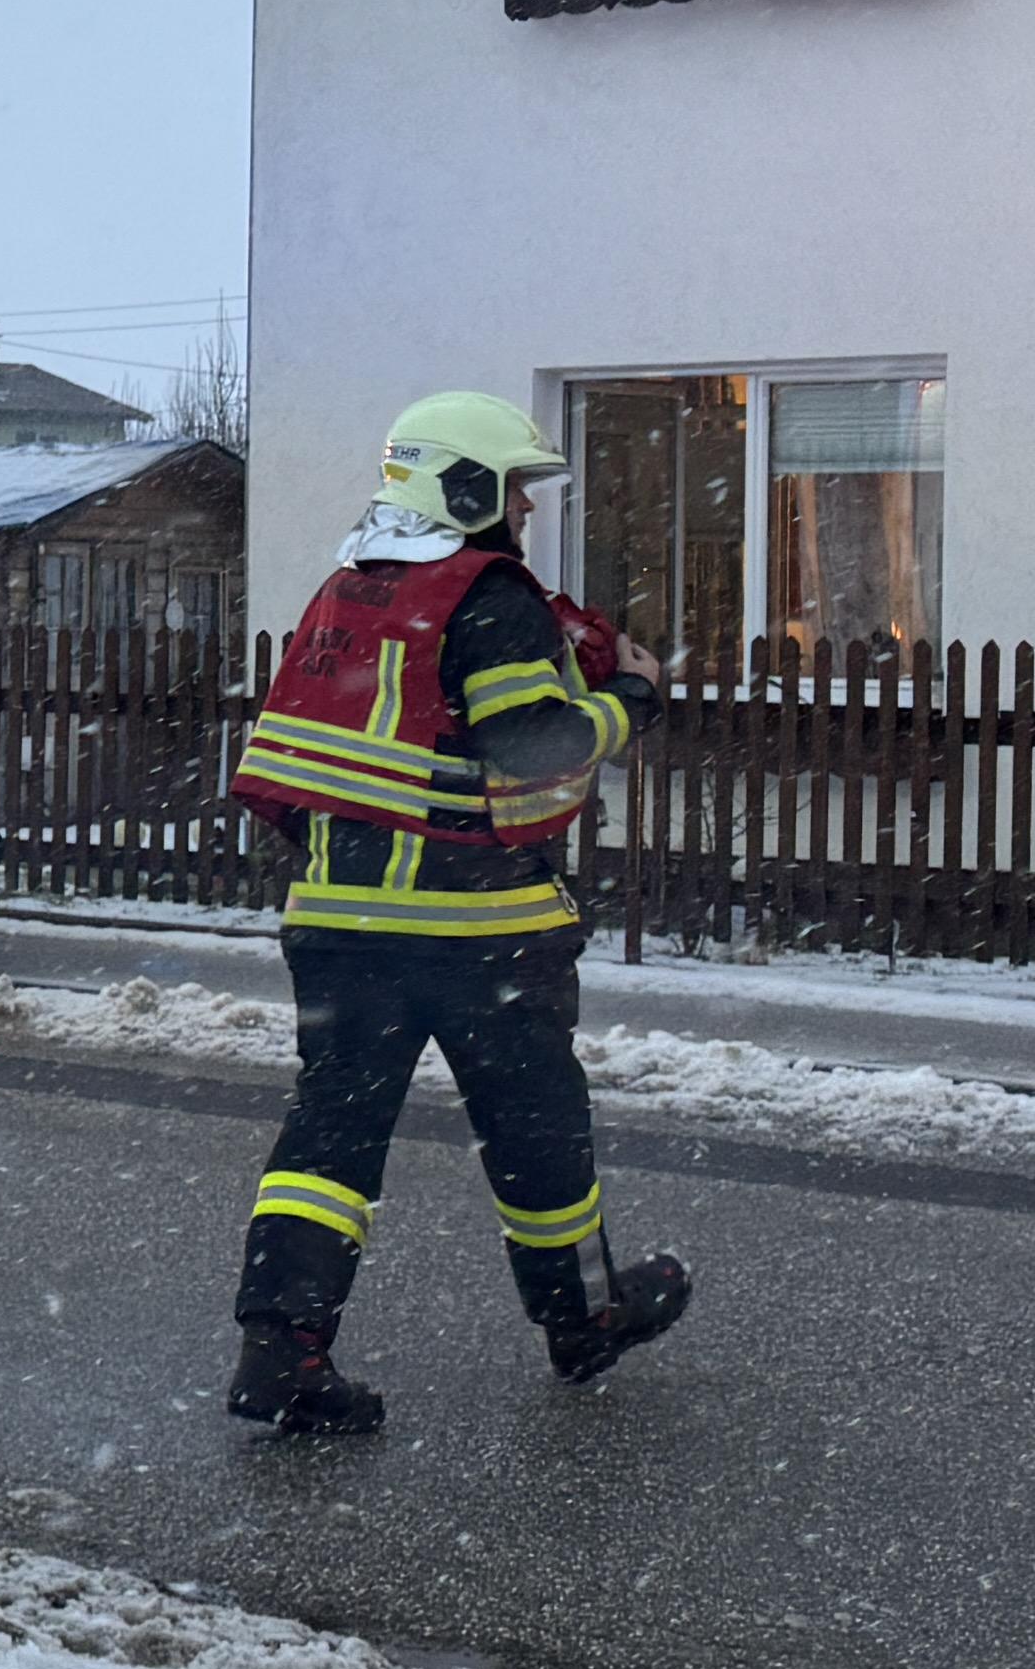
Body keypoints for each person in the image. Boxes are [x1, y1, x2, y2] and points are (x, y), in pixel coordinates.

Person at [220, 390, 691, 1436]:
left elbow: (310, 768)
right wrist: (633, 703)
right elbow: (530, 744)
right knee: (536, 1130)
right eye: (516, 492)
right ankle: (582, 1317)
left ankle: (282, 1344)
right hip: (477, 929)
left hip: (338, 924)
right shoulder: (492, 595)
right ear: (466, 488)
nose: (525, 513)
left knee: (332, 1134)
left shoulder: (349, 590)